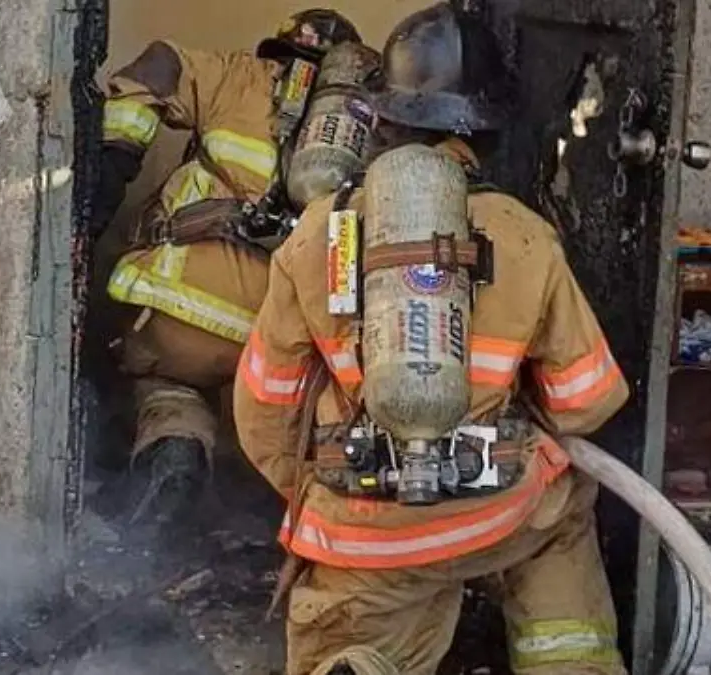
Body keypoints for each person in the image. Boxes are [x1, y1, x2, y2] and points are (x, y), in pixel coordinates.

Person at [232, 4, 631, 674]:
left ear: (384, 120)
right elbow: (585, 401)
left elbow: (263, 409)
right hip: (497, 517)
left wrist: (326, 490)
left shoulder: (321, 233)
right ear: (490, 130)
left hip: (364, 538)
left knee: (347, 647)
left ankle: (355, 658)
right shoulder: (525, 235)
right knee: (563, 514)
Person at [93, 10, 362, 522]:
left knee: (165, 382)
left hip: (174, 310)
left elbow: (160, 64)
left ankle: (175, 440)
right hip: (271, 343)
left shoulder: (242, 77)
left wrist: (112, 162)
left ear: (281, 52)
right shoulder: (363, 138)